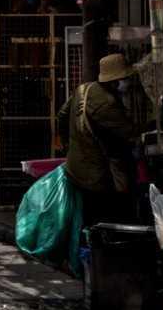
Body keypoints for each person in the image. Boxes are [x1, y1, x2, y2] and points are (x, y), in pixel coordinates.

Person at [59, 53, 148, 227]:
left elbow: (62, 115)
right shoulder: (106, 104)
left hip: (75, 167)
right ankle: (100, 250)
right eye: (125, 79)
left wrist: (69, 145)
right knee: (104, 217)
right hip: (96, 175)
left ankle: (86, 248)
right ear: (115, 80)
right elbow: (128, 131)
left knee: (87, 216)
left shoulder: (83, 90)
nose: (127, 83)